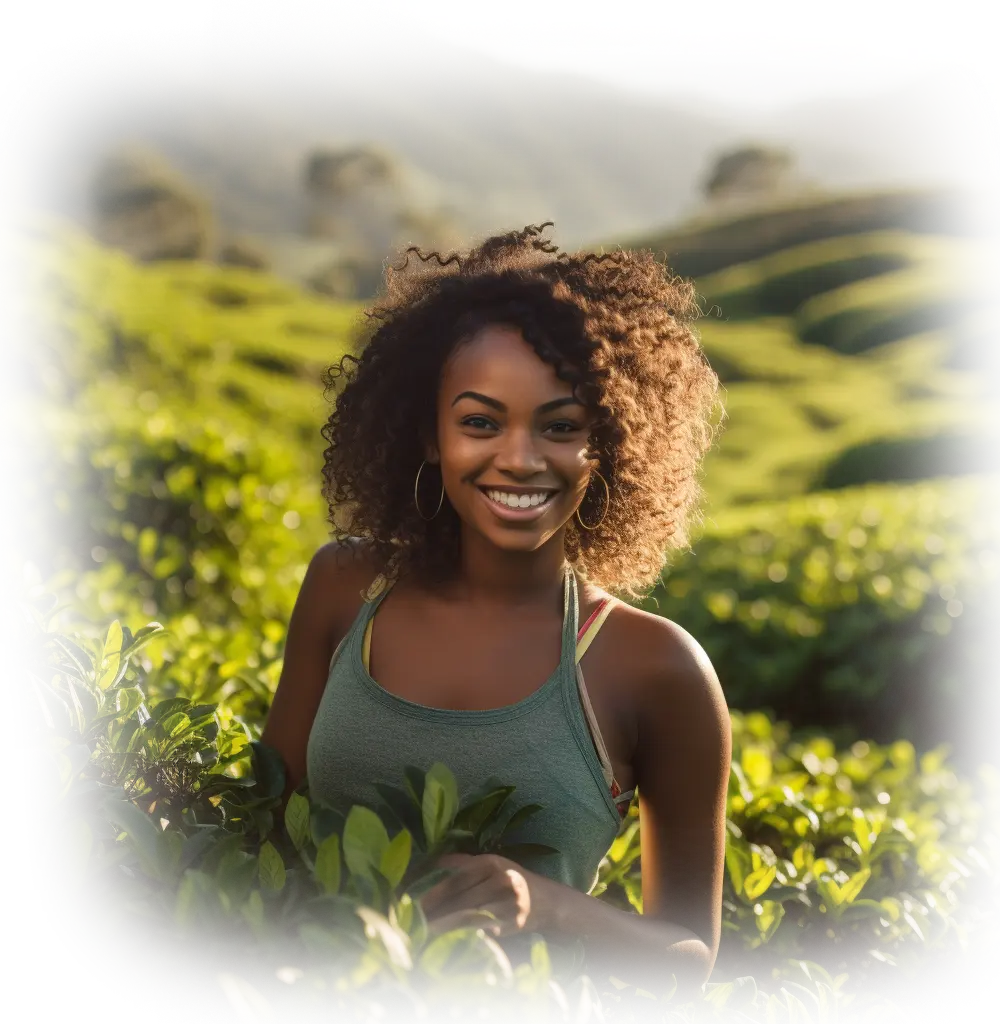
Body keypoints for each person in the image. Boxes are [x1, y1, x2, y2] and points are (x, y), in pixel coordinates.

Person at [260, 223, 731, 1000]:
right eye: (481, 422)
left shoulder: (655, 667)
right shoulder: (344, 589)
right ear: (429, 434)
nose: (519, 458)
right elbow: (264, 820)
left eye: (561, 426)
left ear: (604, 444)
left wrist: (545, 903)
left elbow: (687, 953)